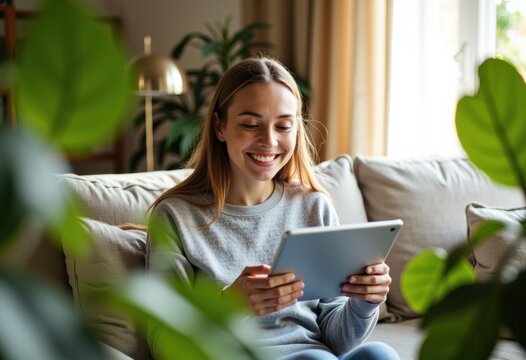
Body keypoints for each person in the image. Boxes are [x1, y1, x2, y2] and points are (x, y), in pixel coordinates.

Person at [146, 56, 399, 360]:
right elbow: (165, 345)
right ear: (219, 126)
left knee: (379, 354)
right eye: (251, 124)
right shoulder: (176, 216)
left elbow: (337, 340)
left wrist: (365, 302)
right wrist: (228, 307)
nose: (269, 140)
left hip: (316, 356)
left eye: (283, 126)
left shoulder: (313, 207)